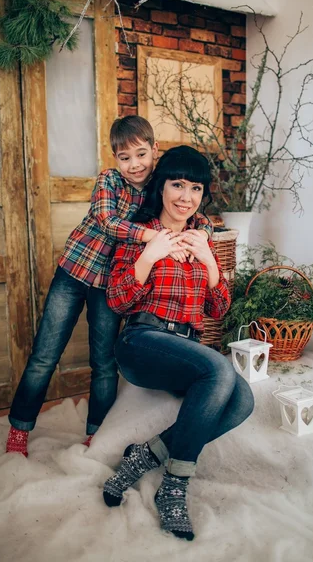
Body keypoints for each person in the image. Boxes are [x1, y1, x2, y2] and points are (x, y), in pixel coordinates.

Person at [6, 117, 213, 457]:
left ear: (154, 151)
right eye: (125, 157)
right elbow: (107, 221)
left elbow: (196, 213)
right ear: (115, 159)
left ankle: (95, 432)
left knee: (103, 362)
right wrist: (153, 236)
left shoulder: (160, 184)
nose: (134, 164)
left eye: (141, 154)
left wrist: (201, 234)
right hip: (74, 272)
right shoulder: (110, 180)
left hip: (109, 285)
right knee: (45, 354)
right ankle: (20, 426)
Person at [103, 145, 254, 541]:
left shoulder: (201, 240)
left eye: (196, 189)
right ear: (162, 186)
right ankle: (175, 486)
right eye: (178, 185)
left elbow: (218, 308)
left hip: (186, 348)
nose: (186, 197)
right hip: (142, 342)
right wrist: (149, 256)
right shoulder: (140, 232)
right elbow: (117, 300)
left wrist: (208, 262)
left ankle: (144, 456)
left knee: (243, 401)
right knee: (219, 367)